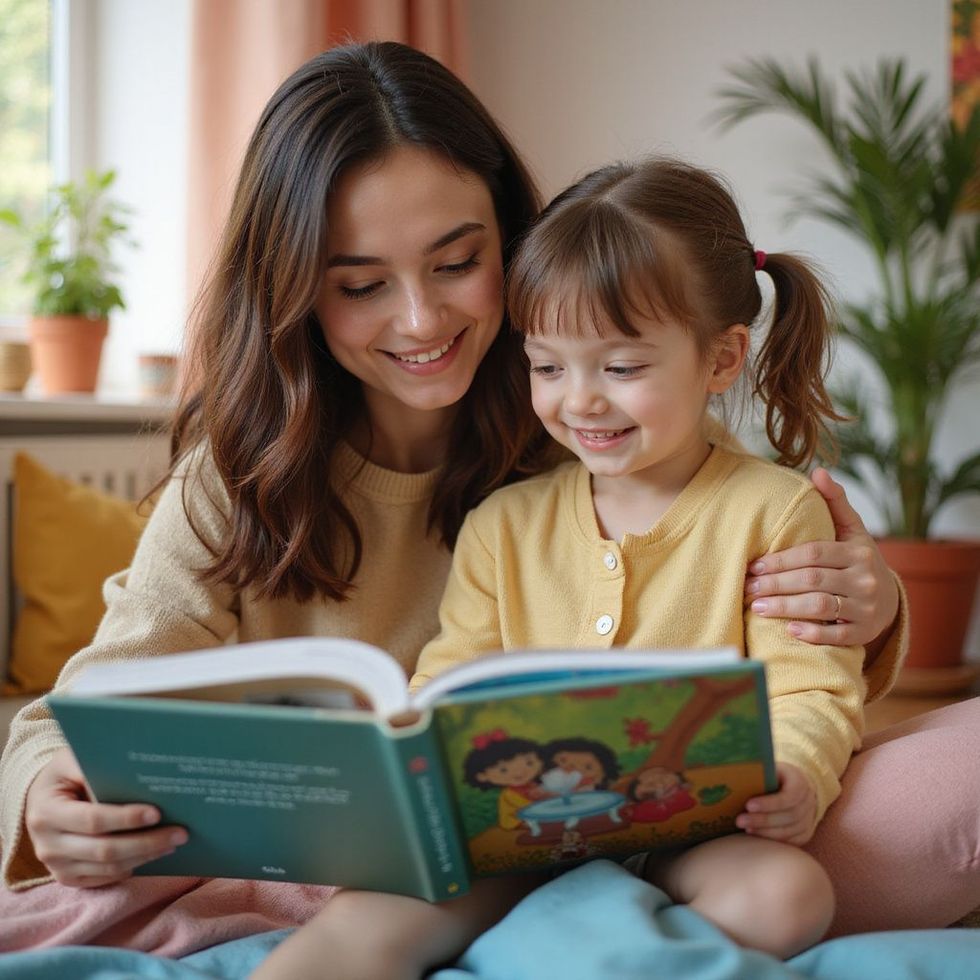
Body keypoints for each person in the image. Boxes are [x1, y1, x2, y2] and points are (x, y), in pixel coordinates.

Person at [0, 40, 972, 959]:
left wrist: (872, 605)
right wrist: (49, 791)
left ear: (516, 238)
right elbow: (77, 711)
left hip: (678, 837)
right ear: (294, 288)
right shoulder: (240, 480)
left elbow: (741, 575)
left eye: (458, 263)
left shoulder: (589, 428)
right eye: (361, 283)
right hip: (401, 864)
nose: (421, 319)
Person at [256, 156, 863, 976]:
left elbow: (810, 685)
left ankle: (565, 949)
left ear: (721, 361)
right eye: (547, 366)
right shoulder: (505, 522)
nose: (579, 400)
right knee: (361, 923)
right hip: (514, 832)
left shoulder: (773, 510)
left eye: (621, 368)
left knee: (788, 896)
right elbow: (450, 682)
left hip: (689, 831)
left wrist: (797, 775)